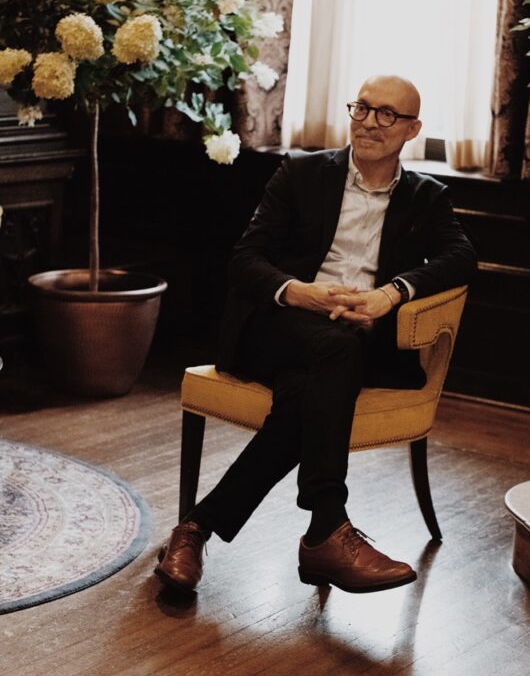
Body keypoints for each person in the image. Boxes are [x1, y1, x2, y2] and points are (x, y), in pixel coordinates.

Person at [155, 74, 477, 595]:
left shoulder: (426, 197)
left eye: (388, 114)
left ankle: (195, 528)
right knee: (336, 346)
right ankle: (327, 526)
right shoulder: (302, 174)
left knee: (309, 393)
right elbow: (245, 260)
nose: (371, 122)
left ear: (412, 129)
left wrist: (389, 295)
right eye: (363, 108)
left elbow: (462, 257)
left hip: (358, 339)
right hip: (280, 330)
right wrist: (298, 292)